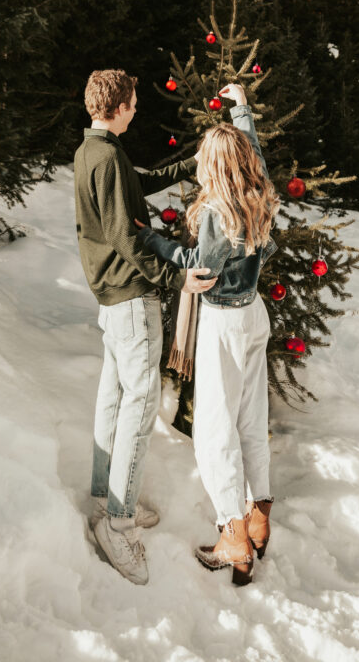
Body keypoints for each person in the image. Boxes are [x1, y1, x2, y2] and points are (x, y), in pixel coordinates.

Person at [74, 69, 218, 585]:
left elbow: (135, 184)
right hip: (131, 301)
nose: (137, 108)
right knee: (137, 408)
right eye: (133, 102)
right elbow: (126, 238)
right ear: (118, 106)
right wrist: (177, 276)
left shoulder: (93, 150)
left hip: (111, 299)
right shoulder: (107, 158)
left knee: (113, 398)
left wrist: (190, 163)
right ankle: (118, 523)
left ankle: (104, 497)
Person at [134, 82, 279, 586]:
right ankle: (258, 514)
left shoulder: (220, 210)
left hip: (223, 324)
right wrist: (241, 108)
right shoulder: (256, 188)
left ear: (213, 167)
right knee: (250, 420)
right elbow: (255, 154)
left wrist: (152, 239)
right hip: (255, 314)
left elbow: (203, 266)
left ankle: (232, 535)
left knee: (215, 434)